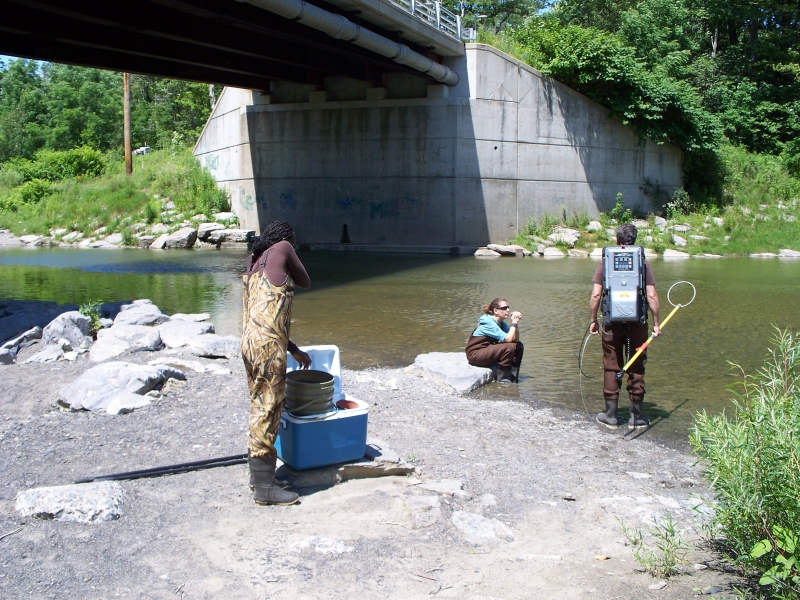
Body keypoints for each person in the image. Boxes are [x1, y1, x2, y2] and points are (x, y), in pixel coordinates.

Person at [241, 220, 312, 505]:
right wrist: (291, 249)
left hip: (250, 343)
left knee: (259, 406)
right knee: (268, 410)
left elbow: (260, 315)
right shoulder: (282, 248)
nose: (292, 246)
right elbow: (305, 280)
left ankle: (258, 477)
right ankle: (265, 490)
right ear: (284, 238)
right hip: (269, 347)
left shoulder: (252, 260)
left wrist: (293, 349)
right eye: (292, 241)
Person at [589, 223, 660, 429]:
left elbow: (595, 295)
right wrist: (656, 324)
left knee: (612, 365)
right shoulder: (643, 262)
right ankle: (636, 418)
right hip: (638, 323)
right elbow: (652, 296)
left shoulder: (606, 261)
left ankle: (611, 415)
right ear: (634, 241)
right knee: (636, 365)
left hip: (611, 323)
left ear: (617, 240)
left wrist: (593, 320)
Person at [465, 298, 524, 384]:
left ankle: (513, 377)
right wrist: (513, 323)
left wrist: (516, 324)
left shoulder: (501, 323)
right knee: (508, 347)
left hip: (486, 350)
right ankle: (503, 380)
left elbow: (515, 340)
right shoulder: (488, 322)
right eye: (504, 308)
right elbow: (508, 339)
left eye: (508, 307)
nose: (508, 310)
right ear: (496, 310)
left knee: (518, 346)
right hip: (475, 354)